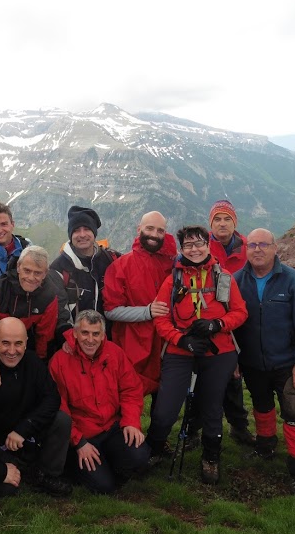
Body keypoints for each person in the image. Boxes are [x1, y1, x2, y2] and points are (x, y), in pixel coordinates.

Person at [147, 226, 248, 484]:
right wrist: (181, 339)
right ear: (182, 250)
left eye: (199, 243)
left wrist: (216, 325)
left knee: (212, 407)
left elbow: (240, 312)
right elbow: (161, 319)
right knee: (166, 408)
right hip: (181, 350)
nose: (194, 249)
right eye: (188, 245)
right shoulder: (173, 280)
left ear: (208, 245)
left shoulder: (223, 277)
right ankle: (154, 448)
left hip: (219, 350)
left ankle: (211, 458)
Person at [233, 229, 295, 495]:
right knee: (262, 406)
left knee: (294, 412)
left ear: (274, 248)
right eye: (252, 245)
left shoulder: (294, 281)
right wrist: (234, 360)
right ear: (246, 249)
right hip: (252, 362)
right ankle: (265, 446)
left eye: (263, 245)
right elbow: (232, 326)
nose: (257, 250)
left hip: (288, 364)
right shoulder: (236, 281)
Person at [0, 318, 72, 497]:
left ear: (26, 343)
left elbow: (52, 398)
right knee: (5, 489)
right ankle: (12, 469)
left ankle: (47, 474)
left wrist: (24, 428)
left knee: (61, 419)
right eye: (5, 343)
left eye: (18, 344)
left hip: (23, 436)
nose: (12, 351)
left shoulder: (32, 362)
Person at [50, 310, 151, 494]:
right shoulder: (59, 361)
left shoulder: (115, 353)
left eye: (96, 334)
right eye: (85, 333)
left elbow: (131, 389)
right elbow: (59, 407)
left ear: (103, 334)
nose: (90, 339)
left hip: (112, 427)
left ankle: (108, 463)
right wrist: (79, 442)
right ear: (75, 333)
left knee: (140, 455)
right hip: (84, 434)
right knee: (104, 486)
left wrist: (131, 422)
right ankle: (75, 463)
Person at [0, 246, 67, 384]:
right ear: (19, 267)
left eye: (37, 273)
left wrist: (39, 366)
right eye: (27, 270)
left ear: (45, 274)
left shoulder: (49, 297)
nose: (31, 278)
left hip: (22, 349)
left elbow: (45, 337)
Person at [103, 211, 177, 398]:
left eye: (160, 230)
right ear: (139, 229)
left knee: (163, 408)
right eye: (149, 228)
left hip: (166, 344)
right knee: (129, 399)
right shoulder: (121, 266)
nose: (154, 234)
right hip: (132, 345)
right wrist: (147, 312)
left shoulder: (173, 264)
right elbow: (110, 311)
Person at [206, 199, 255, 446]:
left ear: (234, 223)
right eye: (217, 219)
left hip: (240, 319)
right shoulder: (201, 247)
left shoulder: (248, 249)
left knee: (235, 376)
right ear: (211, 224)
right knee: (204, 376)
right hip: (208, 322)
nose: (222, 224)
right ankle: (197, 427)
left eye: (227, 219)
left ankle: (238, 426)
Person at [50, 205, 120, 328]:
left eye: (87, 229)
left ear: (94, 233)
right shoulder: (58, 268)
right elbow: (59, 312)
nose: (82, 235)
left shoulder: (112, 260)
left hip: (108, 339)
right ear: (70, 235)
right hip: (75, 339)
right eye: (76, 230)